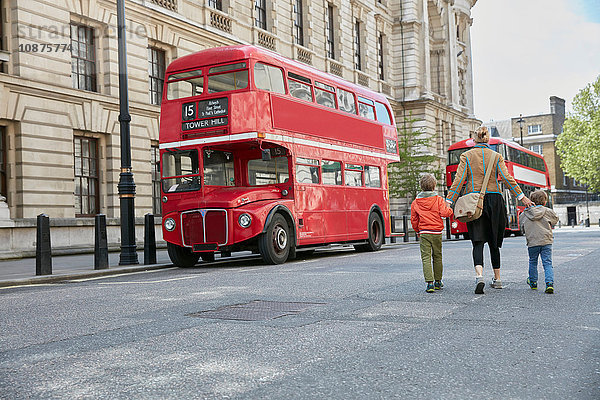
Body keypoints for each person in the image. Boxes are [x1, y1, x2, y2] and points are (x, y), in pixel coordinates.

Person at [446, 126, 534, 294]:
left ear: (474, 140)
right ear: (487, 140)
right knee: (494, 241)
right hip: (494, 200)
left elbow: (458, 181)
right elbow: (508, 179)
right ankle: (498, 278)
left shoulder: (466, 156)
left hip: (474, 201)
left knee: (477, 241)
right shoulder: (496, 156)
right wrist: (522, 197)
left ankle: (479, 276)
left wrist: (449, 201)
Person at [411, 173, 454, 293]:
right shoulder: (439, 200)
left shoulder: (415, 202)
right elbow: (445, 213)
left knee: (426, 258)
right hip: (436, 232)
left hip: (424, 232)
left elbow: (414, 219)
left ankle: (429, 283)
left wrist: (417, 230)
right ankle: (438, 282)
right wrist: (450, 209)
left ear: (421, 186)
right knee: (437, 256)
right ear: (434, 186)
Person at [519, 190, 559, 294]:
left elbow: (522, 228)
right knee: (547, 263)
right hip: (546, 241)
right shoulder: (547, 211)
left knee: (533, 261)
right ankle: (549, 284)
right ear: (544, 201)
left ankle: (533, 282)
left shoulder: (524, 214)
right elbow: (555, 220)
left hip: (532, 242)